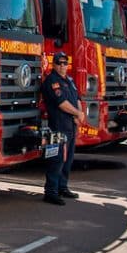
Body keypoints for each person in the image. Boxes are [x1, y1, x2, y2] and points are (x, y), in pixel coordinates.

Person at [39, 51, 84, 205]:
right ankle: (51, 192)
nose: (63, 66)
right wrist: (77, 113)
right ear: (54, 64)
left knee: (68, 159)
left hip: (70, 125)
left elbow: (77, 98)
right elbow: (61, 103)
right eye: (60, 63)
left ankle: (62, 187)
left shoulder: (69, 80)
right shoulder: (52, 81)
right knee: (56, 159)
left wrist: (79, 114)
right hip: (58, 126)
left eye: (65, 63)